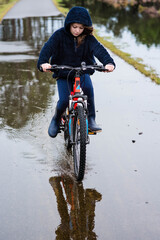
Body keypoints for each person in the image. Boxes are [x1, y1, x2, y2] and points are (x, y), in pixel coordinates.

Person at [37, 6, 116, 138]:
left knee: (88, 90)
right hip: (63, 73)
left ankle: (91, 120)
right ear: (69, 24)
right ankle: (56, 118)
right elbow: (47, 48)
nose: (77, 30)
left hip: (82, 71)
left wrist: (109, 63)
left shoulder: (88, 39)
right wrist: (43, 63)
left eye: (81, 28)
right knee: (63, 100)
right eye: (74, 27)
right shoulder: (59, 35)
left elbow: (99, 50)